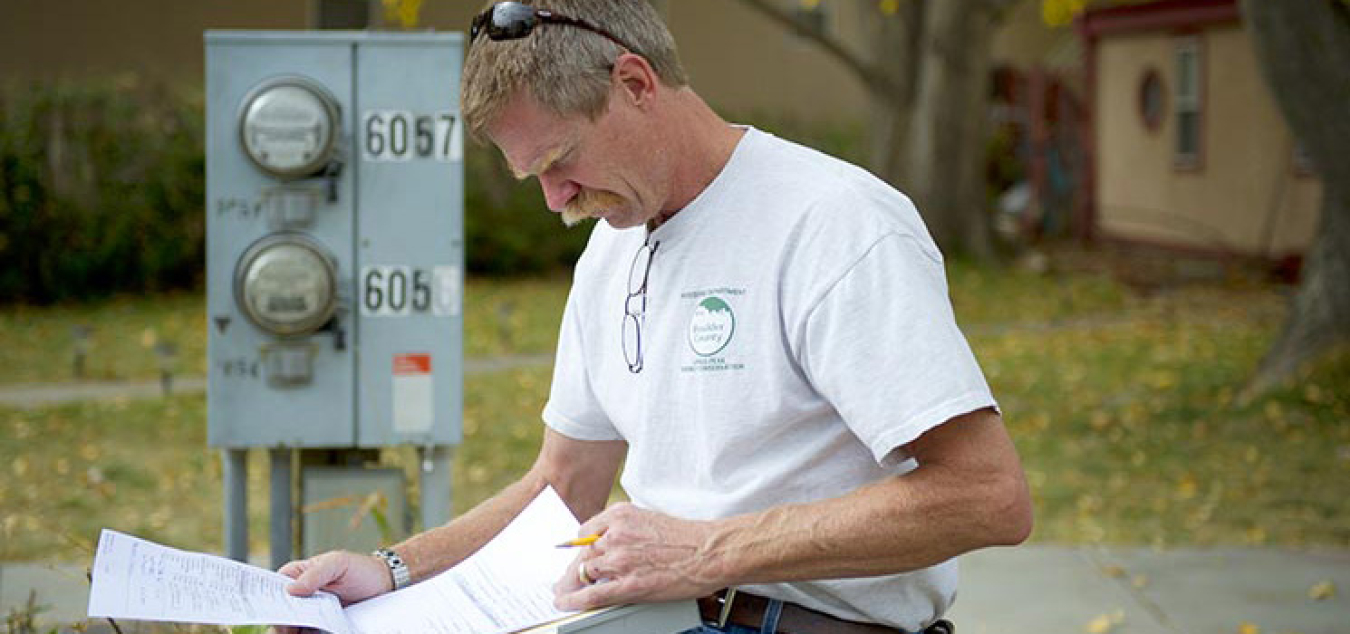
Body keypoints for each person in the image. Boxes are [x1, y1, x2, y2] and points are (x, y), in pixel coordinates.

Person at [280, 1, 1033, 632]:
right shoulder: (611, 252)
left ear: (634, 83)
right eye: (531, 177)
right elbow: (564, 484)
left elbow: (987, 497)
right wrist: (389, 571)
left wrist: (705, 552)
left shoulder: (832, 222)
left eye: (559, 161)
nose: (553, 200)